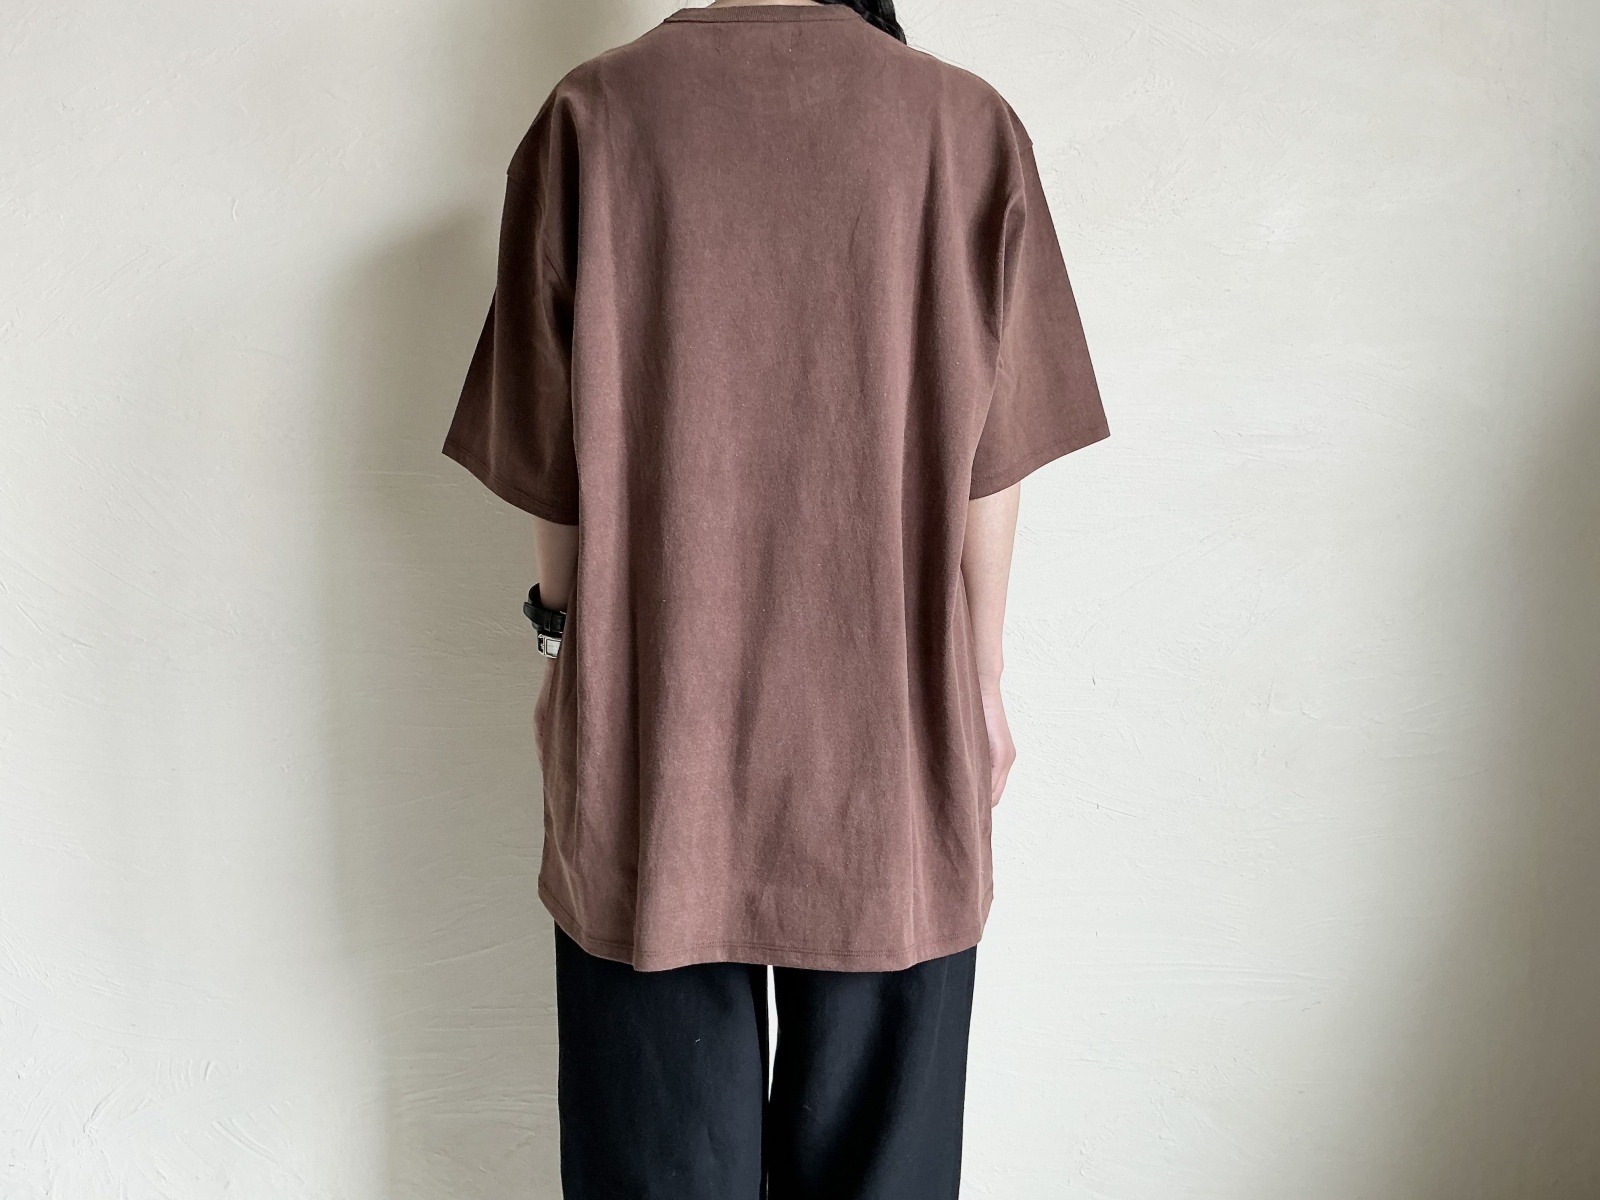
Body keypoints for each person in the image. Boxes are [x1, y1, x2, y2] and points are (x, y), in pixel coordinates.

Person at [442, 0, 1108, 1195]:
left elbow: (553, 463)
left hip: (656, 740)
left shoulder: (592, 117)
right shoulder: (962, 126)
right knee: (880, 1163)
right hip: (890, 744)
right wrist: (981, 683)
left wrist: (560, 655)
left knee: (659, 1162)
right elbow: (988, 462)